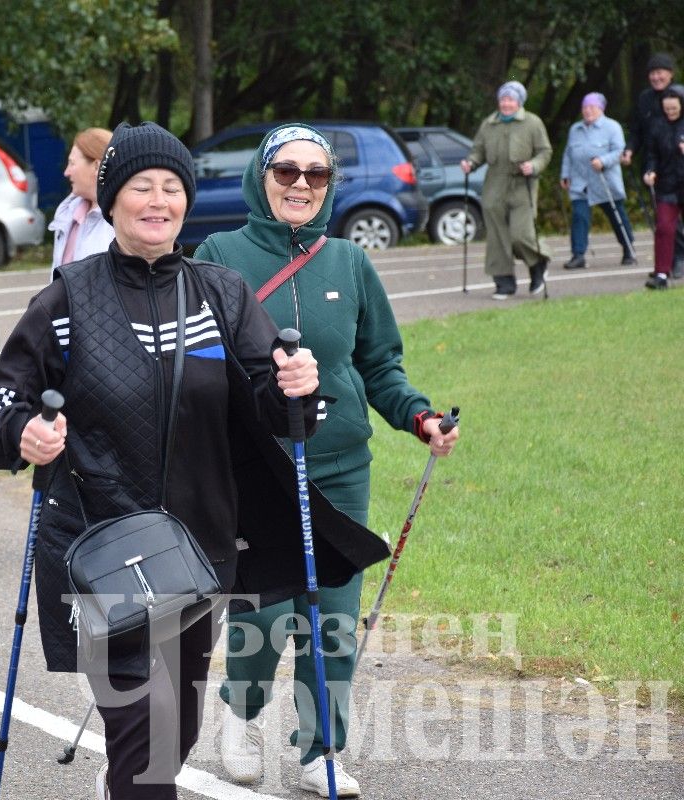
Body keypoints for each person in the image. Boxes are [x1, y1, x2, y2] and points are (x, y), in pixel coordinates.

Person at [0, 121, 387, 800]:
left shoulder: (220, 294)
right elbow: (0, 409)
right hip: (102, 548)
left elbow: (278, 410)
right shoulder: (68, 298)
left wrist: (297, 390)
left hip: (197, 553)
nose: (158, 201)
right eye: (142, 187)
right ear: (112, 202)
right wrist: (24, 432)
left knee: (174, 729)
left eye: (172, 188)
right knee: (144, 737)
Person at [195, 123, 460, 797]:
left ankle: (320, 749)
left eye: (315, 174)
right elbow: (196, 366)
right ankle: (243, 712)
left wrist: (420, 416)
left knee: (333, 620)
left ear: (330, 184)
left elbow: (379, 365)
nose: (301, 185)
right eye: (287, 171)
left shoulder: (349, 262)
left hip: (340, 466)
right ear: (262, 176)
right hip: (256, 469)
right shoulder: (219, 255)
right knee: (262, 616)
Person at [460, 80, 553, 299]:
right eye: (503, 99)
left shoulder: (532, 123)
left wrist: (534, 165)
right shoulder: (489, 124)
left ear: (519, 102)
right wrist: (470, 163)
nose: (506, 103)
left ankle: (538, 263)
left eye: (511, 99)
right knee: (496, 235)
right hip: (495, 183)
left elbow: (545, 151)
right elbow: (478, 151)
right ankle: (504, 282)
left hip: (523, 184)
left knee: (521, 234)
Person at [559, 92, 636, 270]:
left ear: (601, 109)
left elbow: (620, 151)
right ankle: (578, 255)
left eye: (592, 107)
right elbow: (568, 154)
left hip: (605, 182)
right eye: (584, 107)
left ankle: (628, 248)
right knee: (579, 216)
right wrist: (565, 175)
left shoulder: (612, 127)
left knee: (617, 216)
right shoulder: (575, 129)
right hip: (580, 182)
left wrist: (603, 161)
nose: (587, 111)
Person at [624, 52, 684, 279]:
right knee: (664, 220)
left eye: (660, 72)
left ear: (670, 74)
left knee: (671, 220)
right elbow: (637, 129)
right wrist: (629, 149)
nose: (656, 77)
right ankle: (667, 262)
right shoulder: (644, 99)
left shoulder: (680, 95)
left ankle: (678, 258)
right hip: (654, 163)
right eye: (652, 73)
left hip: (678, 166)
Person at [49, 127, 116, 274]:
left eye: (72, 163)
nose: (66, 172)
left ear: (97, 166)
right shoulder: (67, 212)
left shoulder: (119, 223)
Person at [642, 83, 684, 289]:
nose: (670, 113)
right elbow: (652, 154)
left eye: (674, 109)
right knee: (664, 228)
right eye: (667, 109)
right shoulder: (656, 126)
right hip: (667, 185)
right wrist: (650, 171)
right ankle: (661, 274)